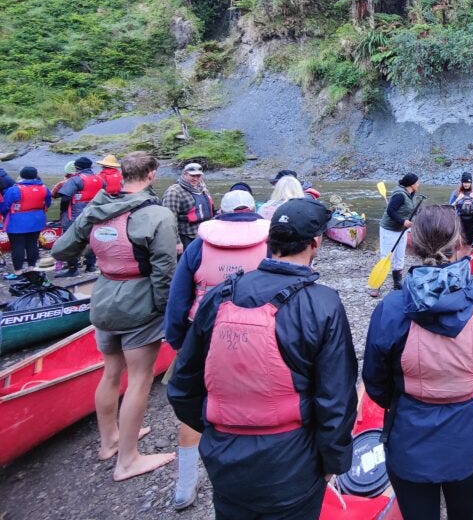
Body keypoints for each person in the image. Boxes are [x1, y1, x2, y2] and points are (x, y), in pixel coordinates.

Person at [168, 198, 359, 520]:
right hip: (292, 462)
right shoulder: (324, 304)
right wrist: (334, 464)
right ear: (315, 243)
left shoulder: (220, 295)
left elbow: (183, 387)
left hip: (224, 456)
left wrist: (219, 429)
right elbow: (336, 400)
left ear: (270, 241)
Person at [363, 205, 473, 520]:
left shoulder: (392, 309)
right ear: (462, 241)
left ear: (413, 245)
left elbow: (376, 383)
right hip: (469, 434)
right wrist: (472, 386)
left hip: (410, 439)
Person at [52, 152, 178, 480]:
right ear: (151, 174)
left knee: (110, 372)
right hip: (139, 306)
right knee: (139, 378)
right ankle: (127, 461)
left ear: (121, 175)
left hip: (103, 300)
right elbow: (164, 270)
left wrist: (99, 248)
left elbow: (60, 251)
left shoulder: (95, 210)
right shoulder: (158, 215)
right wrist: (167, 312)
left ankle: (109, 441)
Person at [164, 189, 271, 510]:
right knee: (255, 404)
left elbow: (178, 298)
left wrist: (178, 343)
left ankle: (185, 484)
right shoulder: (269, 243)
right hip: (257, 335)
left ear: (220, 213)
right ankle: (254, 477)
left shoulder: (198, 246)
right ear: (253, 210)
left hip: (204, 334)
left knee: (192, 409)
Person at [55, 155, 106, 275]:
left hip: (75, 215)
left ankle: (73, 268)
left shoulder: (75, 179)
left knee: (71, 241)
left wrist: (63, 214)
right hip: (94, 214)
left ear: (76, 167)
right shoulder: (100, 179)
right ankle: (90, 266)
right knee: (91, 240)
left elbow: (65, 196)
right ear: (90, 166)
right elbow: (104, 195)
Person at [374, 173, 420, 297]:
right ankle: (377, 284)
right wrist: (403, 221)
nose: (418, 184)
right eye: (417, 182)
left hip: (402, 230)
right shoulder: (400, 195)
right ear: (411, 184)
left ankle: (397, 283)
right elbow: (390, 211)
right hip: (389, 229)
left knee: (400, 256)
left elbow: (410, 210)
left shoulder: (411, 194)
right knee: (386, 257)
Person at [0, 167, 52, 272]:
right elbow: (47, 203)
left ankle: (18, 271)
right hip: (37, 220)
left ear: (21, 175)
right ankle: (31, 268)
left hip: (17, 221)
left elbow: (4, 206)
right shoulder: (44, 188)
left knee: (17, 245)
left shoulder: (14, 189)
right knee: (33, 243)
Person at [162, 163, 214, 254]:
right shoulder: (174, 192)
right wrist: (177, 242)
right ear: (184, 174)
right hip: (186, 238)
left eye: (198, 176)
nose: (196, 178)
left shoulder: (202, 187)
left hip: (205, 235)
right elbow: (169, 221)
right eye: (192, 175)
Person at [449, 172, 473, 247]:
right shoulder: (456, 193)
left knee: (469, 241)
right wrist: (457, 200)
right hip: (460, 219)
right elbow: (450, 207)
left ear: (471, 183)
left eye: (468, 182)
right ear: (462, 182)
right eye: (464, 182)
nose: (466, 184)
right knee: (461, 241)